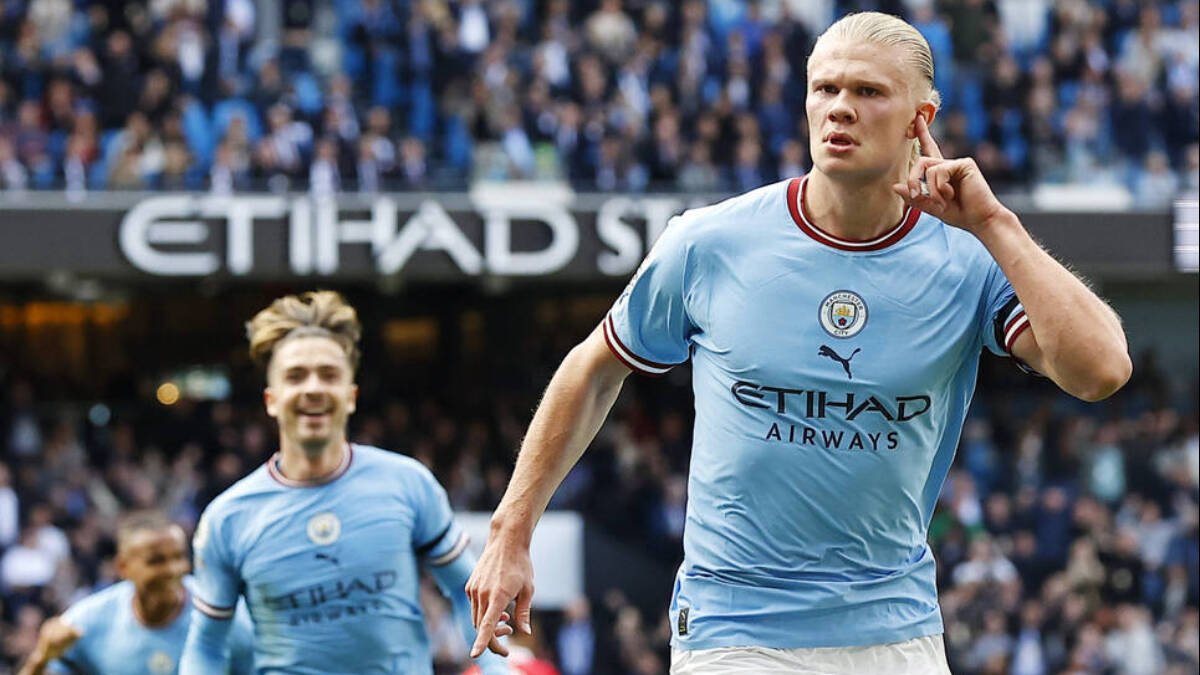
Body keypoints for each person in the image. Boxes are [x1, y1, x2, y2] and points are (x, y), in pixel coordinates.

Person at [467, 12, 1132, 674]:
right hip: (734, 630)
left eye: (868, 92)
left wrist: (996, 224)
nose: (840, 109)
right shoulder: (711, 242)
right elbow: (593, 368)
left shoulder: (968, 259)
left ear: (920, 117)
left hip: (894, 631)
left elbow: (1100, 370)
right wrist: (511, 529)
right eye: (825, 89)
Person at [180, 291, 510, 674]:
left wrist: (500, 670)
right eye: (296, 376)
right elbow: (206, 647)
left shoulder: (408, 484)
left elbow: (467, 594)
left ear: (351, 396)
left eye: (329, 374)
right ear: (271, 399)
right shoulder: (227, 518)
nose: (314, 388)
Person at [19, 511, 254, 675]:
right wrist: (41, 657)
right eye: (156, 561)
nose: (173, 569)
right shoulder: (87, 621)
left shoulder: (227, 616)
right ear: (123, 567)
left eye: (179, 557)